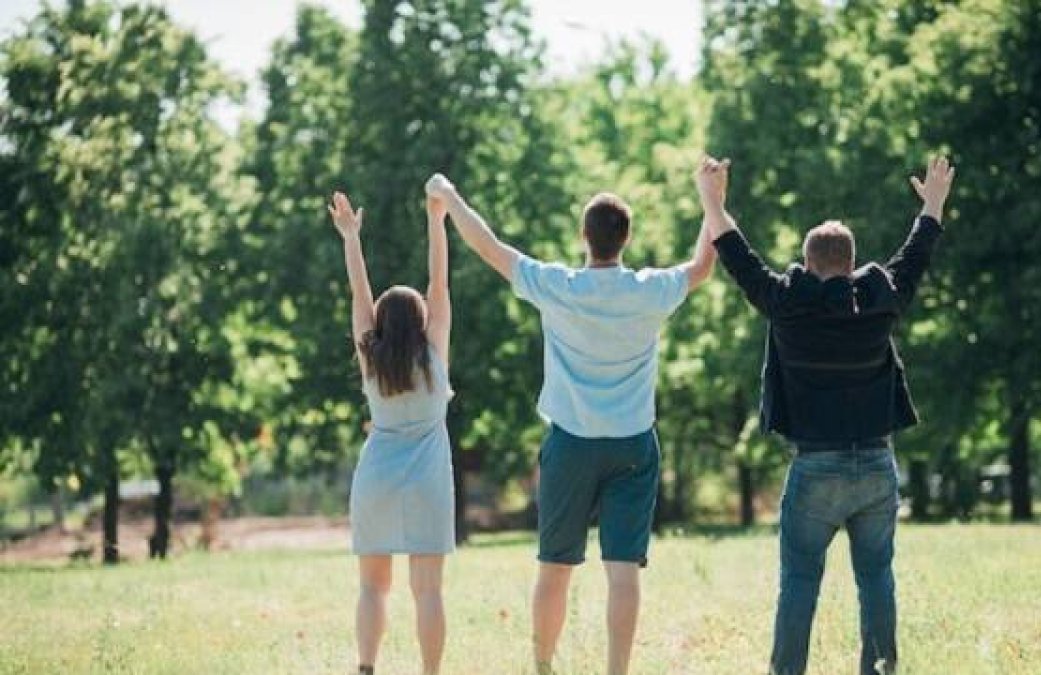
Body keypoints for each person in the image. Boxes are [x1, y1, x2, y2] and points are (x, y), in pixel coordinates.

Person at [424, 164, 721, 675]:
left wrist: (448, 196)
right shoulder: (649, 290)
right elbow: (702, 267)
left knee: (555, 566)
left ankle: (543, 665)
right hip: (633, 445)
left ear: (584, 236)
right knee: (623, 569)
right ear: (625, 239)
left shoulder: (557, 286)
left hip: (571, 446)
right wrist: (713, 201)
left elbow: (489, 246)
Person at [704, 156, 957, 675]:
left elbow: (737, 256)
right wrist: (933, 202)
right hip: (876, 467)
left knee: (799, 582)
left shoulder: (784, 303)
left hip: (815, 468)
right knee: (877, 579)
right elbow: (915, 256)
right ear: (851, 261)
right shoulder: (882, 304)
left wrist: (713, 200)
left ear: (807, 260)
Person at [328, 190, 455, 675]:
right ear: (423, 320)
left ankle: (366, 667)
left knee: (371, 587)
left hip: (375, 478)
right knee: (428, 590)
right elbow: (439, 282)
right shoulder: (434, 355)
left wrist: (352, 238)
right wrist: (435, 220)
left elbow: (359, 294)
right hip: (428, 482)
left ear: (379, 324)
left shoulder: (371, 358)